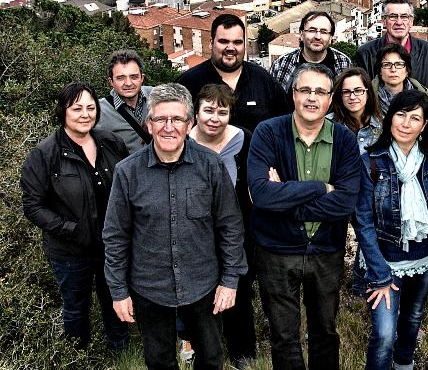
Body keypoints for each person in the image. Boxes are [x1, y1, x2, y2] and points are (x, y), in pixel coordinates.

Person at [103, 83, 247, 370]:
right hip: (149, 288)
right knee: (159, 362)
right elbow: (115, 235)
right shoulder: (127, 172)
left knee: (210, 360)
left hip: (203, 285)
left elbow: (230, 226)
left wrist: (230, 280)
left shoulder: (210, 165)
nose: (169, 127)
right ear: (148, 123)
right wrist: (118, 291)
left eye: (177, 119)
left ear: (189, 123)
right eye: (160, 119)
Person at [247, 63, 361, 370]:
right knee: (283, 335)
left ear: (330, 99)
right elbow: (260, 194)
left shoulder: (345, 140)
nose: (312, 98)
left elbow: (346, 202)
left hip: (325, 250)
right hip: (276, 250)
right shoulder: (268, 132)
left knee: (324, 331)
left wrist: (284, 196)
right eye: (305, 90)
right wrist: (321, 187)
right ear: (293, 94)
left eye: (321, 92)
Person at [355, 90, 428, 370]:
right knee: (384, 333)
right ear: (390, 118)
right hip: (384, 259)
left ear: (425, 125)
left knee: (413, 316)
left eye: (415, 118)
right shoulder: (371, 161)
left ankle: (404, 363)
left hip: (427, 256)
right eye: (401, 114)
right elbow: (363, 222)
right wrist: (378, 273)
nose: (406, 123)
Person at [20, 82, 130, 353]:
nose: (85, 114)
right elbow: (33, 205)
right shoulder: (45, 154)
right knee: (76, 307)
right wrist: (71, 229)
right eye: (77, 108)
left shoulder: (111, 142)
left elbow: (129, 186)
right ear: (63, 111)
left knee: (116, 301)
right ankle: (78, 356)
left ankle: (122, 354)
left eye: (90, 107)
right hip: (70, 251)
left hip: (112, 247)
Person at [188, 83, 257, 367]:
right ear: (196, 112)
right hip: (198, 231)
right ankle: (203, 351)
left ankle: (243, 353)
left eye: (222, 111)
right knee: (201, 295)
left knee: (238, 291)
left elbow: (257, 179)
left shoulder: (245, 139)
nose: (214, 118)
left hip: (240, 230)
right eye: (208, 111)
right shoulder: (184, 143)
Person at [177, 13, 291, 134]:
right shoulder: (187, 83)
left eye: (237, 42)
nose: (230, 48)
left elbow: (286, 124)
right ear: (211, 43)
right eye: (223, 41)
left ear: (244, 45)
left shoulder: (263, 80)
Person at [356, 0, 428, 107]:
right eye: (393, 16)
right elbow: (362, 96)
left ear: (411, 21)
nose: (399, 22)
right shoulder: (365, 53)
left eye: (404, 17)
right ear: (383, 21)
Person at [270, 10, 352, 92]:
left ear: (331, 38)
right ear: (301, 35)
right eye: (312, 30)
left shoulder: (343, 62)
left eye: (324, 32)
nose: (318, 37)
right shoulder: (281, 64)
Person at [98, 48, 153, 152]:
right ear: (111, 81)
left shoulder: (157, 97)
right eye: (120, 78)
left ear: (142, 78)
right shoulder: (99, 111)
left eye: (134, 77)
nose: (128, 83)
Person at [333, 66, 383, 154]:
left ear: (368, 93)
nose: (352, 97)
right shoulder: (328, 125)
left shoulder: (383, 125)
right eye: (346, 92)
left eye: (358, 90)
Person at [373, 43, 428, 116]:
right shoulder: (367, 98)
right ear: (380, 71)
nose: (393, 70)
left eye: (399, 64)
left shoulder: (424, 100)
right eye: (387, 64)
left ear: (407, 70)